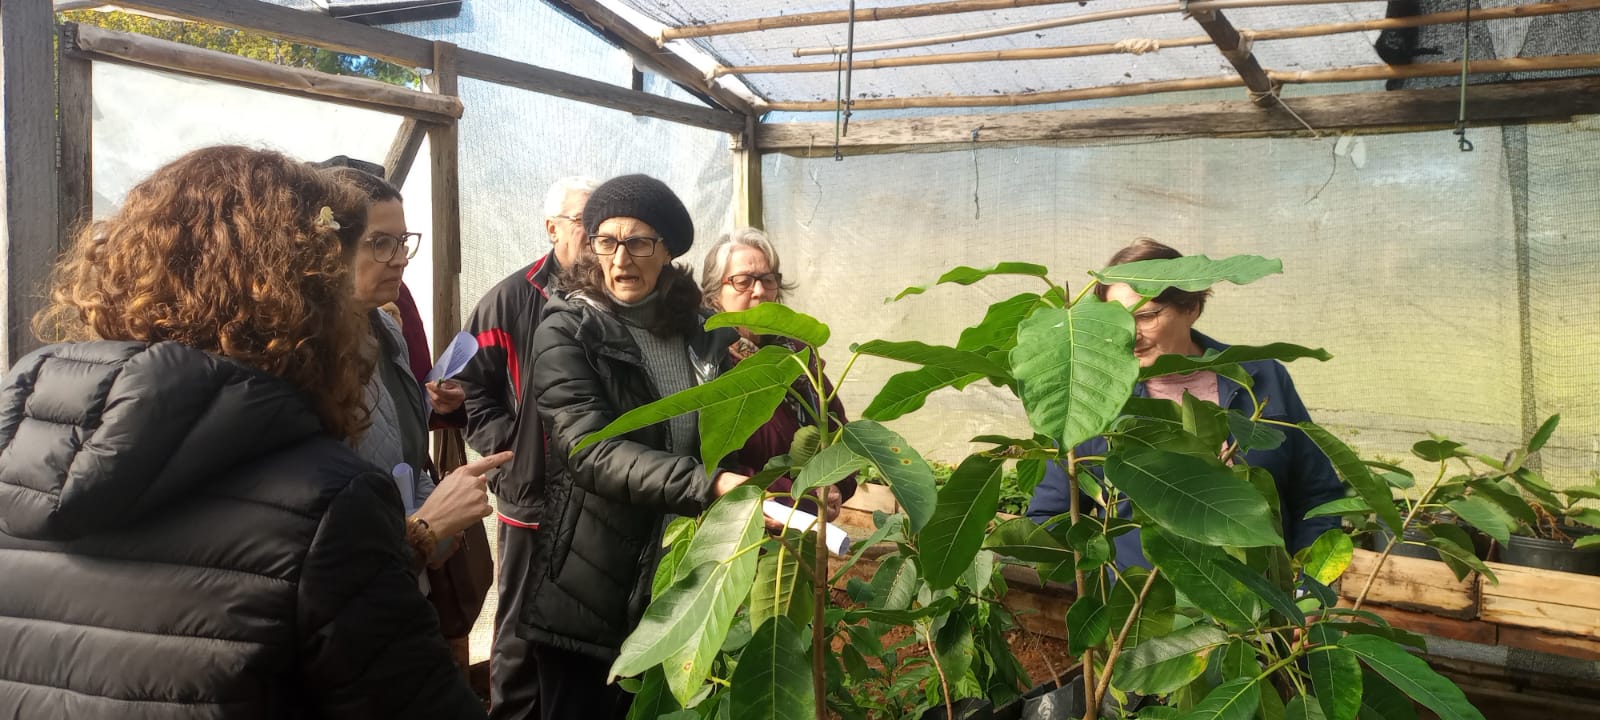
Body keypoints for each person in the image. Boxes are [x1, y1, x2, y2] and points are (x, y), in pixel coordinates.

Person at [0, 145, 491, 718]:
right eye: (347, 253)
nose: (390, 262)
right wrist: (421, 536)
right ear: (300, 286)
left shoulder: (23, 446)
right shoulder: (324, 500)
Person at [524, 174, 748, 719]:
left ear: (667, 250)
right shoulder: (569, 329)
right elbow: (589, 449)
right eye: (607, 241)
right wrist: (707, 484)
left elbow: (733, 436)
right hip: (590, 592)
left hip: (682, 581)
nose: (621, 258)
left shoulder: (705, 333)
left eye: (639, 242)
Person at [1026, 238, 1345, 568]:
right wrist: (1105, 580)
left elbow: (1317, 495)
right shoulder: (1090, 400)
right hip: (1144, 597)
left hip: (1261, 594)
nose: (1128, 334)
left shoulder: (1262, 379)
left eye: (1145, 316)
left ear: (1190, 307)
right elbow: (1048, 518)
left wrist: (1307, 582)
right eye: (1113, 320)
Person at [455, 175, 597, 719]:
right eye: (584, 220)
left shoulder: (616, 295)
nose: (596, 234)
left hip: (602, 497)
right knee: (518, 632)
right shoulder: (510, 298)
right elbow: (469, 388)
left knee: (587, 627)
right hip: (532, 499)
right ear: (551, 228)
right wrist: (510, 457)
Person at [699, 227, 857, 521]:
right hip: (743, 526)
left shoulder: (800, 355)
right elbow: (711, 465)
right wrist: (801, 497)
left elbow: (839, 431)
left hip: (810, 530)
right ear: (715, 293)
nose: (759, 291)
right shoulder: (708, 363)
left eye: (767, 279)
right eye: (743, 281)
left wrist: (837, 485)